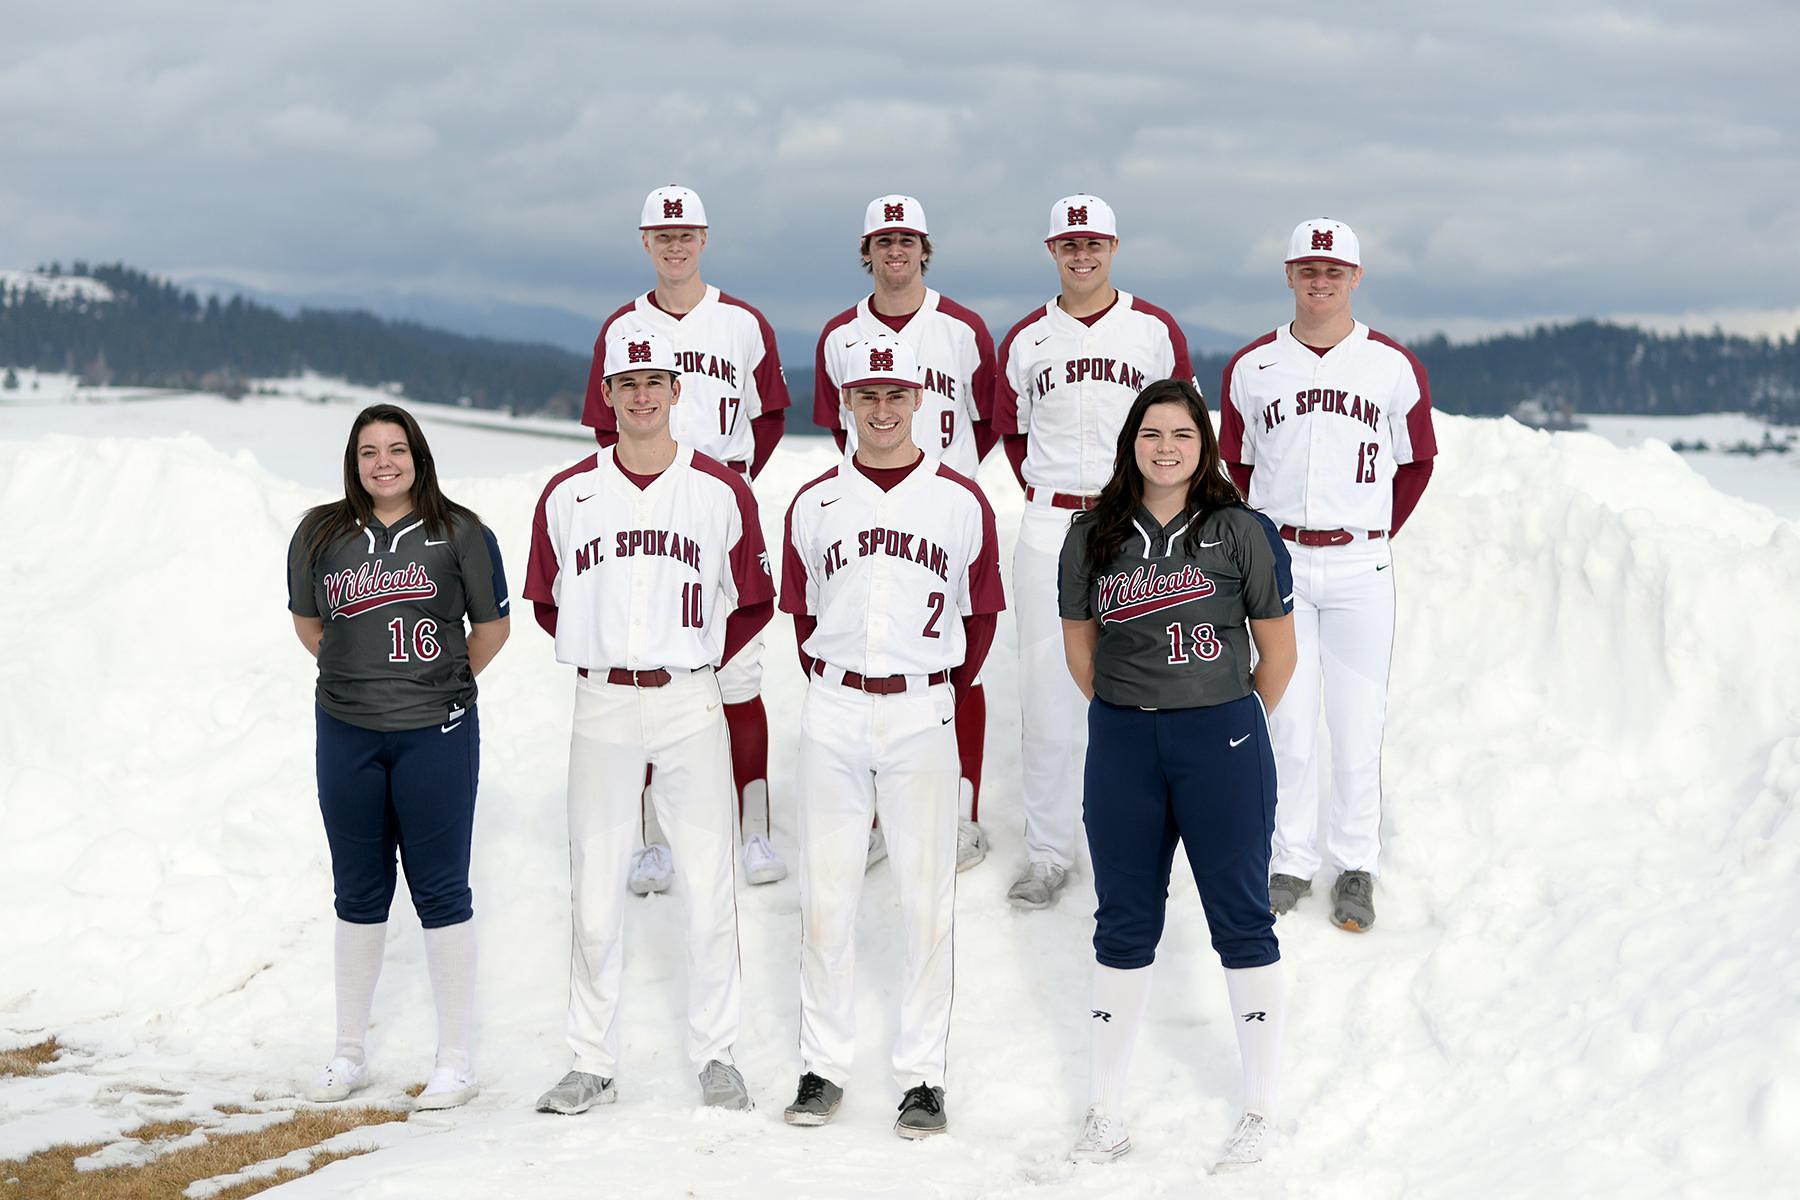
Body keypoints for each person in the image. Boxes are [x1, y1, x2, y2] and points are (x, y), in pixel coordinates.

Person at [527, 329, 774, 1115]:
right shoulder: (570, 493)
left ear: (676, 390)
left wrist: (697, 655)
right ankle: (590, 1060)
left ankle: (718, 1054)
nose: (640, 396)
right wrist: (608, 649)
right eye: (626, 382)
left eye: (654, 381)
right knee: (595, 884)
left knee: (709, 880)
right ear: (607, 394)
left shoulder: (720, 490)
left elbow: (756, 598)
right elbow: (544, 599)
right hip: (601, 702)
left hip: (688, 700)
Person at [1058, 379, 1297, 1170]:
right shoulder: (1092, 533)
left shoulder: (1242, 531)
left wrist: (1215, 717)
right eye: (1152, 433)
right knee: (1122, 920)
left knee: (1240, 916)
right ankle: (1105, 1110)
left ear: (1205, 446)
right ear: (1132, 442)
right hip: (1124, 741)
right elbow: (1081, 654)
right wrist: (1139, 713)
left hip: (1221, 740)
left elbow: (1280, 654)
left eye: (1183, 436)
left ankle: (1260, 1109)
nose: (1166, 448)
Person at [779, 332, 1004, 1138]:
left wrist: (931, 683)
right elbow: (803, 615)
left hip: (920, 709)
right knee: (826, 895)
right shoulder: (814, 502)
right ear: (846, 403)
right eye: (866, 395)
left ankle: (923, 1077)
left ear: (920, 401)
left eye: (895, 395)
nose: (880, 409)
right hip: (834, 706)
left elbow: (979, 620)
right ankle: (822, 1067)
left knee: (924, 898)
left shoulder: (958, 499)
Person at [287, 403, 511, 1111]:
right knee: (357, 890)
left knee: (441, 889)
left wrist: (434, 684)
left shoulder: (461, 532)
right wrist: (364, 683)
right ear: (352, 462)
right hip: (347, 731)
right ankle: (348, 1051)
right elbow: (308, 622)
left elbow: (494, 627)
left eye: (396, 449)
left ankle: (455, 1060)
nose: (383, 462)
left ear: (418, 455)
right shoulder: (320, 532)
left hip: (435, 731)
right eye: (367, 452)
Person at [1217, 219, 1438, 932]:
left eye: (1333, 271)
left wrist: (1370, 528)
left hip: (1359, 565)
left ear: (1355, 278)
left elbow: (1417, 463)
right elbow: (1239, 464)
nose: (1320, 281)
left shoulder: (1391, 366)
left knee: (1355, 717)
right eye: (1307, 269)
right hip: (1280, 560)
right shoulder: (1253, 367)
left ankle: (1356, 864)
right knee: (1286, 720)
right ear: (1288, 274)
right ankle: (1290, 858)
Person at [581, 184, 792, 895]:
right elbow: (604, 427)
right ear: (645, 241)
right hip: (645, 503)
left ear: (704, 238)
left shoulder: (742, 322)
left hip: (721, 500)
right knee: (649, 659)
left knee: (738, 669)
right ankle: (648, 838)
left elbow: (768, 419)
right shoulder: (621, 326)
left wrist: (726, 485)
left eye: (687, 234)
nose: (675, 245)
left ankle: (753, 825)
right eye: (662, 235)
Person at [994, 194, 1195, 910]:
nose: (1082, 255)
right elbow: (1012, 431)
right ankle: (1049, 853)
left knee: (1143, 691)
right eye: (1068, 244)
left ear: (1114, 247)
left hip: (1133, 519)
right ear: (1052, 250)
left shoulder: (1152, 329)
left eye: (1094, 243)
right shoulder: (1026, 338)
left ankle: (1138, 848)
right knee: (1047, 692)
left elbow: (1182, 426)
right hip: (1051, 522)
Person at [813, 193, 1000, 872]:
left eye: (907, 241)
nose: (896, 252)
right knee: (870, 655)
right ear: (867, 253)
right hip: (869, 509)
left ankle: (960, 814)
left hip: (948, 509)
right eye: (883, 241)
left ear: (925, 250)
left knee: (960, 658)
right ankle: (871, 816)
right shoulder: (840, 334)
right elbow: (843, 427)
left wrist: (950, 480)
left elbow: (990, 421)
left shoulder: (964, 328)